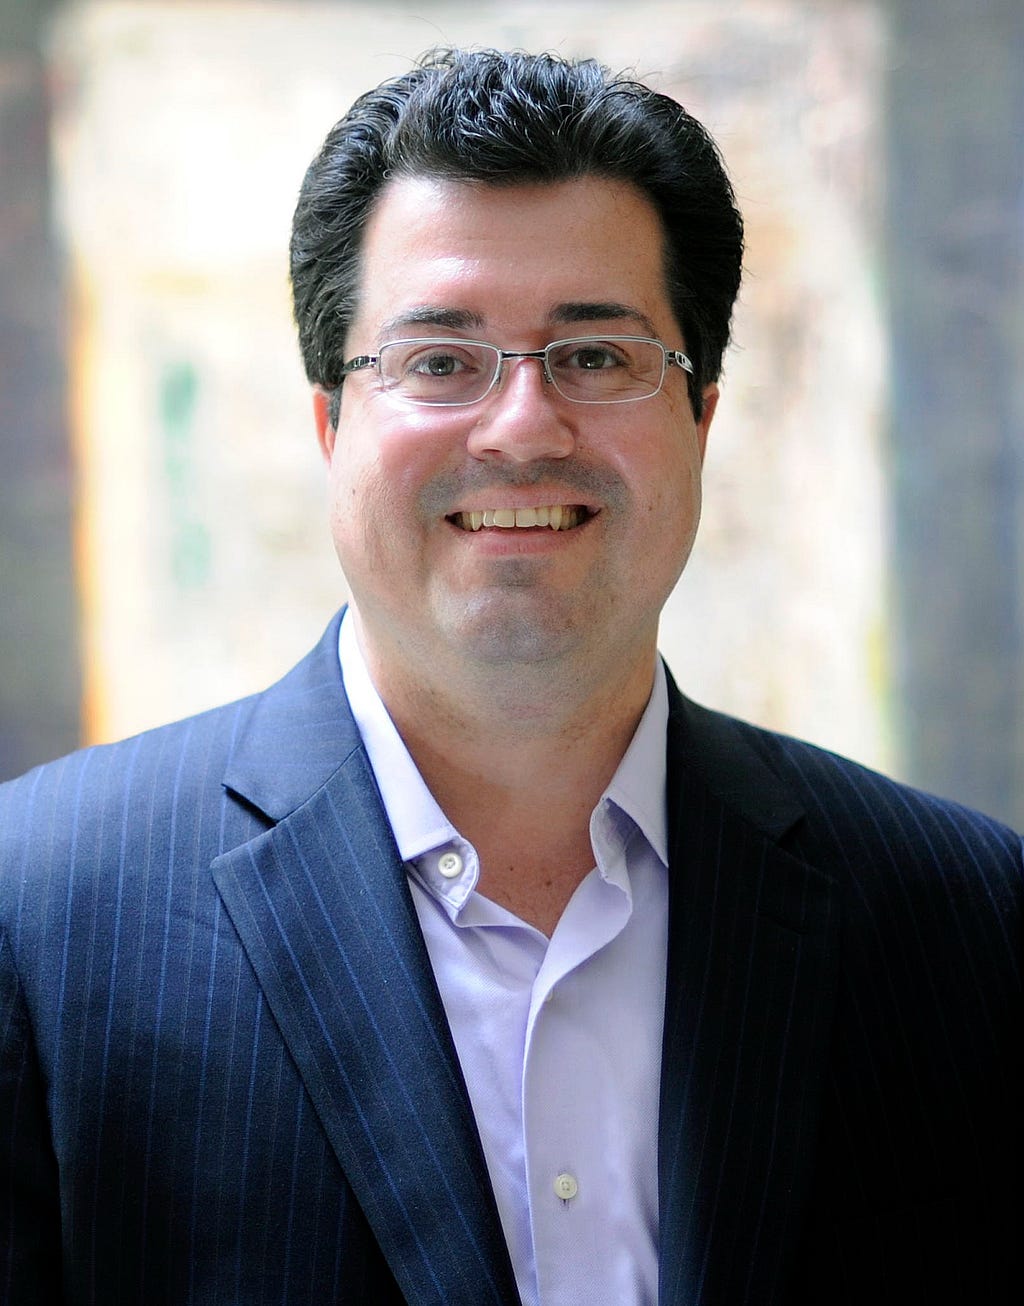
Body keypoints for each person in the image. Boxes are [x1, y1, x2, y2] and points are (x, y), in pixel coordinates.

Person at [0, 47, 1019, 1306]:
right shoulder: (40, 918)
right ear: (330, 424)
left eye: (594, 356)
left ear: (700, 417)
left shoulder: (965, 923)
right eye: (439, 361)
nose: (524, 426)